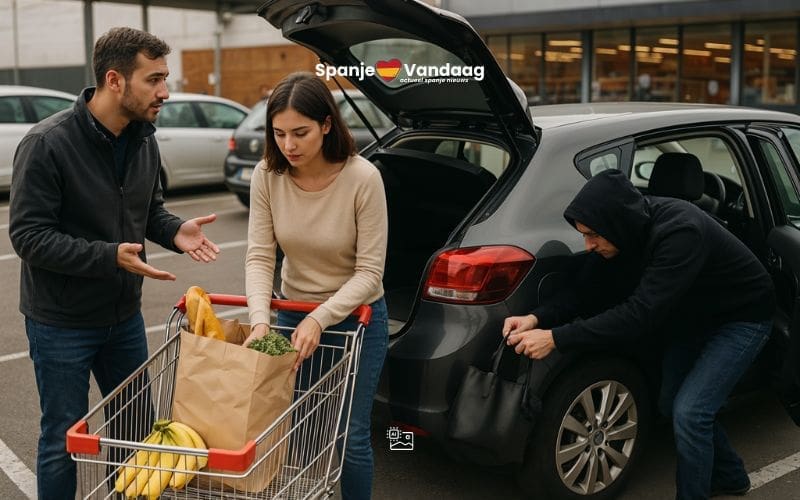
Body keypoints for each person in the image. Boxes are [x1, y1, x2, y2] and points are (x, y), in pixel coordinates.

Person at [9, 27, 220, 499]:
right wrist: (109, 257)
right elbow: (28, 236)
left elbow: (148, 211)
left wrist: (172, 230)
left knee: (134, 432)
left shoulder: (145, 140)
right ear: (115, 80)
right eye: (154, 79)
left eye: (165, 78)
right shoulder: (47, 144)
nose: (165, 91)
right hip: (61, 322)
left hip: (122, 318)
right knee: (62, 437)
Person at [503, 169, 775, 499]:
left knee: (690, 413)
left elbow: (639, 315)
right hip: (692, 317)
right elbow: (583, 293)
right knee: (671, 403)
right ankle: (731, 476)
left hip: (741, 318)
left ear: (615, 223)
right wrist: (534, 318)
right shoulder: (620, 235)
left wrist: (556, 338)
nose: (588, 245)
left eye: (592, 235)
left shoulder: (680, 232)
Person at [244, 71, 388, 500]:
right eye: (280, 133)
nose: (289, 145)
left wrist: (322, 318)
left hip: (357, 318)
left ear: (327, 125)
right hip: (292, 314)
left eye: (301, 133)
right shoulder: (267, 176)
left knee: (350, 434)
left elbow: (370, 272)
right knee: (293, 426)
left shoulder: (363, 178)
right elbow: (259, 255)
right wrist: (259, 321)